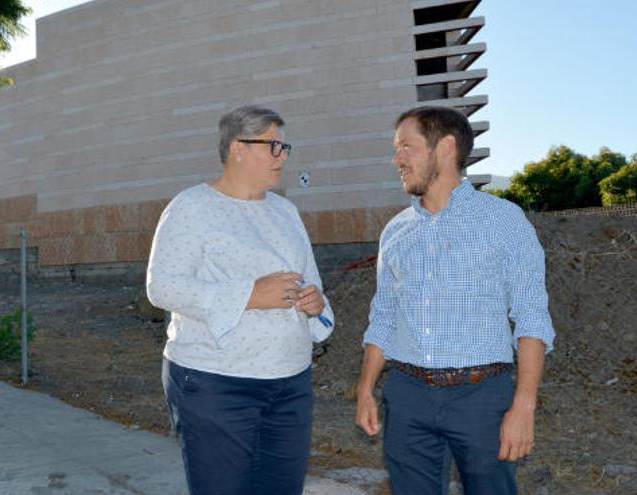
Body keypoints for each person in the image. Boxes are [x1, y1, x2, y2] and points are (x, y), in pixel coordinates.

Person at [354, 106, 555, 495]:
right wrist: (366, 389)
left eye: (406, 147)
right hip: (408, 396)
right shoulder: (395, 231)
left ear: (445, 148)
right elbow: (383, 316)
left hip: (480, 397)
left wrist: (523, 406)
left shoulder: (504, 221)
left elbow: (532, 317)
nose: (397, 159)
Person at [146, 105, 334, 495]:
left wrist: (316, 304)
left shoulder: (287, 212)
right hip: (216, 385)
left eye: (284, 147)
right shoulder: (192, 207)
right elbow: (161, 286)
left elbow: (310, 281)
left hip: (291, 383)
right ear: (237, 149)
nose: (282, 156)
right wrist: (249, 294)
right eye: (273, 146)